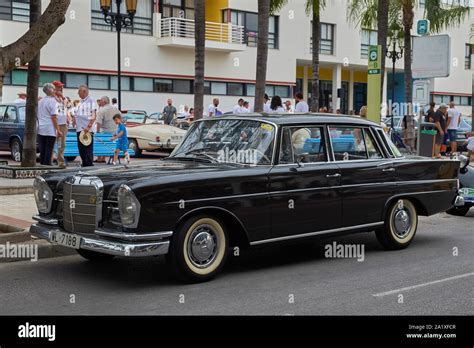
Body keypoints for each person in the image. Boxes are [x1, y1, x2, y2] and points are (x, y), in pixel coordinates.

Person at [37, 83, 60, 166]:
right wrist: (58, 129)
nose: (55, 91)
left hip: (40, 127)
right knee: (49, 148)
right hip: (50, 128)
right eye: (53, 89)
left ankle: (42, 163)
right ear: (50, 90)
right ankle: (47, 164)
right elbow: (54, 117)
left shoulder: (40, 101)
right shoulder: (53, 102)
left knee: (42, 147)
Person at [74, 85, 97, 167]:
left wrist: (89, 126)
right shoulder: (81, 101)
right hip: (80, 128)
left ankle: (89, 164)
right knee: (81, 149)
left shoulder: (91, 100)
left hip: (87, 129)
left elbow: (93, 115)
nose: (78, 93)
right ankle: (85, 163)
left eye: (79, 91)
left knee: (87, 148)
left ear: (84, 91)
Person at [96, 96, 119, 163]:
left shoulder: (102, 110)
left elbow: (98, 123)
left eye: (100, 100)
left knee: (98, 140)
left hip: (105, 132)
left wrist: (97, 132)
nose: (99, 102)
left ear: (104, 101)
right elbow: (121, 118)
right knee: (109, 142)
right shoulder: (115, 109)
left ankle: (100, 158)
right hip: (115, 133)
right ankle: (103, 158)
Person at [52, 80, 69, 168]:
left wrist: (62, 98)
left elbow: (66, 107)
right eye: (59, 87)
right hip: (54, 123)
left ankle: (61, 162)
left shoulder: (63, 98)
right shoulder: (52, 98)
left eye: (61, 87)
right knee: (52, 142)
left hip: (63, 123)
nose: (61, 88)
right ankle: (50, 160)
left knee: (62, 143)